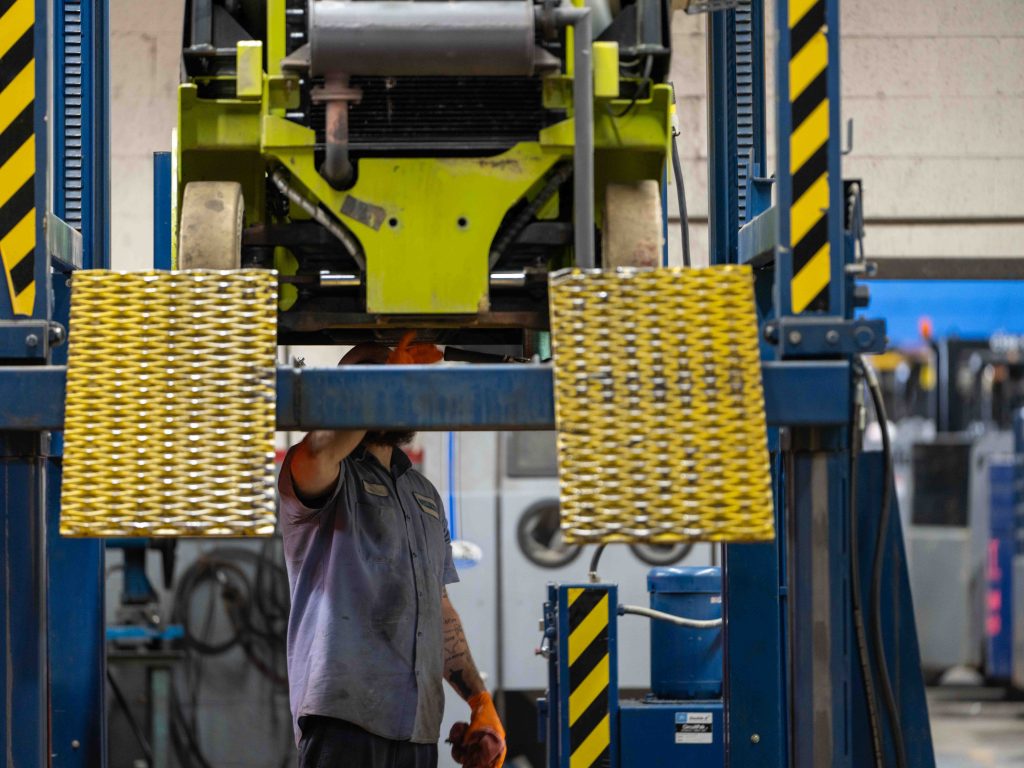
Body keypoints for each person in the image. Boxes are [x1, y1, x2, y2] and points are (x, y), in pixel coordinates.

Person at [278, 342, 506, 768]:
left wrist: (479, 699)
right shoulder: (324, 472)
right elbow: (319, 451)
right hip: (344, 723)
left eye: (403, 385)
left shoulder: (423, 494)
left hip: (418, 728)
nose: (400, 394)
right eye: (388, 382)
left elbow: (438, 609)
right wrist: (380, 383)